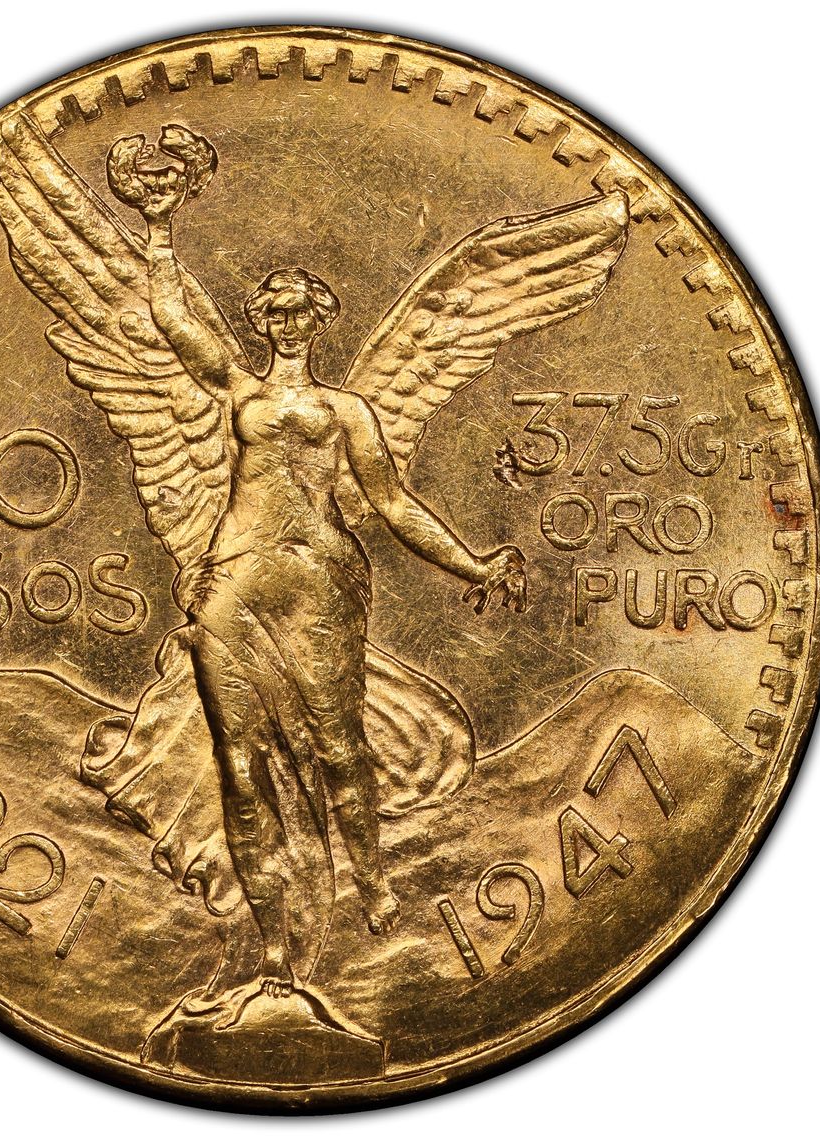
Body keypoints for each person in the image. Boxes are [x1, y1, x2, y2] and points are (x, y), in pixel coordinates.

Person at [125, 165, 525, 998]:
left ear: (320, 320)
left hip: (320, 582)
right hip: (234, 581)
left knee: (340, 747)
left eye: (299, 310)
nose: (287, 321)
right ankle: (274, 943)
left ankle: (370, 879)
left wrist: (474, 562)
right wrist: (159, 230)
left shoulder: (348, 412)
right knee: (239, 765)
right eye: (273, 310)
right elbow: (173, 322)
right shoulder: (235, 390)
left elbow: (393, 503)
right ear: (260, 320)